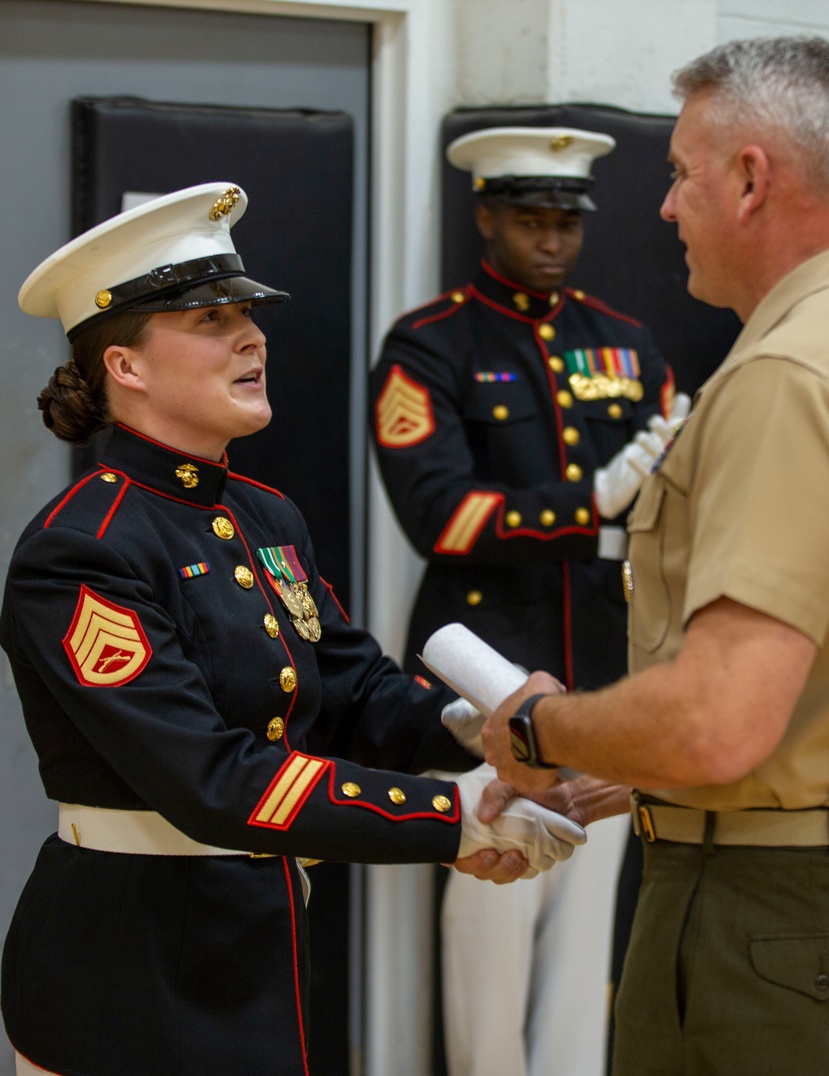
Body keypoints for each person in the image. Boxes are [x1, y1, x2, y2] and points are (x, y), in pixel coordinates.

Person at [478, 37, 829, 1075]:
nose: (665, 207)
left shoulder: (788, 380)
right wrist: (617, 770)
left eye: (678, 172)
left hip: (768, 925)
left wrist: (538, 725)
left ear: (752, 180)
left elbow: (718, 722)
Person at [0, 182, 587, 1076]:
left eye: (249, 312)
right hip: (129, 966)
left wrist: (477, 730)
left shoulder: (266, 515)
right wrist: (455, 819)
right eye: (209, 320)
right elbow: (210, 779)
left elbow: (356, 691)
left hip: (257, 935)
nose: (251, 337)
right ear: (126, 366)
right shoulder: (83, 549)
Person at [369, 127, 680, 1076]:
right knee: (491, 912)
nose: (551, 240)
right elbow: (442, 516)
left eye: (564, 222)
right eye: (528, 219)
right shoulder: (430, 344)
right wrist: (589, 504)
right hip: (485, 683)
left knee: (590, 927)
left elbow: (679, 460)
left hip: (599, 669)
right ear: (485, 217)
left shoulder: (622, 343)